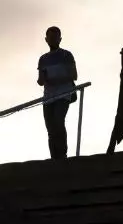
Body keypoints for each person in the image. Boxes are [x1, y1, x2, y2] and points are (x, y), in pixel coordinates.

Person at [37, 26, 78, 160]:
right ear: (46, 40)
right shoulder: (43, 58)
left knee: (58, 121)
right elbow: (40, 81)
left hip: (63, 94)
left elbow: (74, 75)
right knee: (50, 128)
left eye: (55, 37)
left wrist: (55, 78)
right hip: (48, 97)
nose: (52, 40)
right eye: (50, 37)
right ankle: (54, 157)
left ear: (60, 39)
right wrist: (42, 79)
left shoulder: (67, 55)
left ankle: (62, 154)